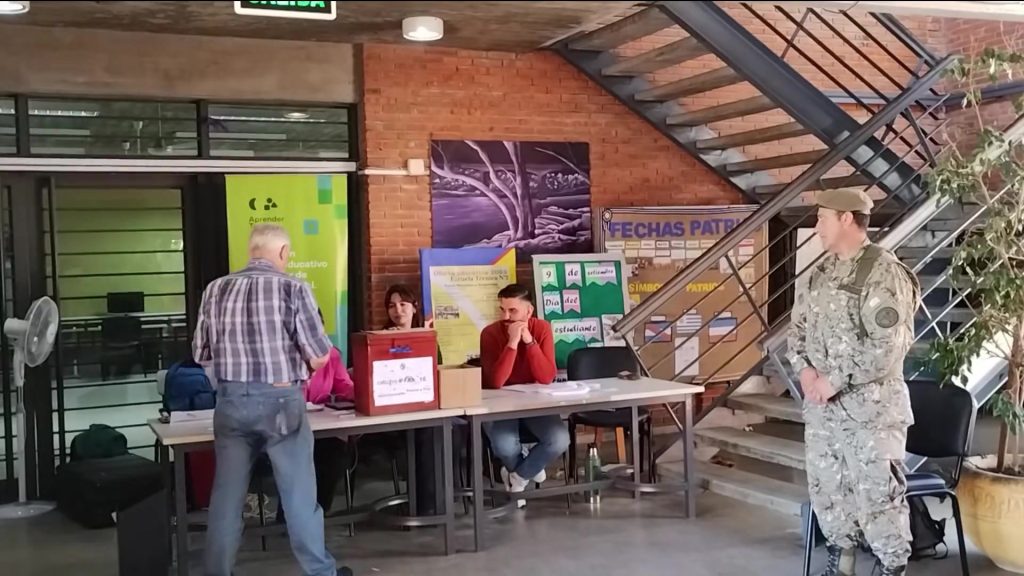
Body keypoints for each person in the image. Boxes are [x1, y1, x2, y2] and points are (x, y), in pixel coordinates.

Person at [193, 223, 350, 576]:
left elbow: (201, 353)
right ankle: (320, 572)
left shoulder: (215, 289)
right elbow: (320, 355)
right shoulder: (294, 288)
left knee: (226, 499)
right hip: (281, 402)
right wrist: (298, 369)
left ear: (252, 250)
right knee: (298, 497)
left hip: (230, 401)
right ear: (282, 252)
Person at [787, 188, 919, 576]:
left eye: (822, 218)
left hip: (871, 414)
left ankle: (892, 567)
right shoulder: (820, 274)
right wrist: (806, 371)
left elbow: (888, 346)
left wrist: (833, 380)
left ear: (846, 218)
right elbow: (797, 332)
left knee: (879, 498)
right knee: (829, 493)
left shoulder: (884, 272)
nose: (816, 227)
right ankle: (841, 564)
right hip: (823, 414)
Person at [479, 283, 567, 508]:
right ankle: (530, 468)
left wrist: (529, 341)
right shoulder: (489, 333)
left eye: (512, 311)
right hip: (502, 402)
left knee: (559, 439)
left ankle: (518, 477)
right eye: (502, 310)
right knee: (504, 446)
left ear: (529, 312)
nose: (506, 317)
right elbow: (496, 381)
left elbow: (546, 377)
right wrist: (512, 343)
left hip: (535, 400)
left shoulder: (542, 328)